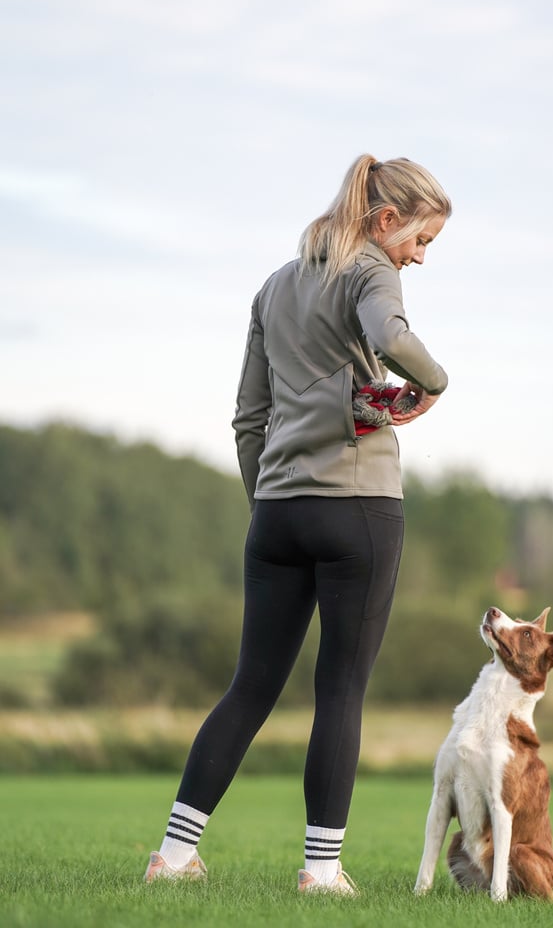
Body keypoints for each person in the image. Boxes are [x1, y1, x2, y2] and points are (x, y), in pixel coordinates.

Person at [144, 153, 451, 893]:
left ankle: (174, 856)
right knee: (340, 688)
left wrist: (269, 500)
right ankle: (321, 871)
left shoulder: (274, 285)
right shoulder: (374, 270)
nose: (418, 256)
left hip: (277, 513)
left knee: (250, 686)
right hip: (359, 510)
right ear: (385, 220)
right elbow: (393, 336)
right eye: (421, 240)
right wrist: (436, 381)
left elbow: (248, 418)